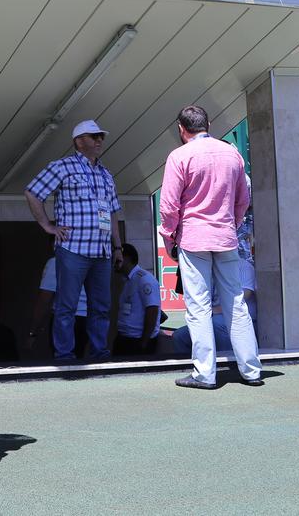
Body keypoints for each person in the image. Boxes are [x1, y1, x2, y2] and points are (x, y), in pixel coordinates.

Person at [159, 105, 262, 389]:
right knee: (236, 303)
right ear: (208, 124)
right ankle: (251, 370)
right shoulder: (232, 154)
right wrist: (231, 223)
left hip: (193, 238)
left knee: (198, 306)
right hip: (226, 236)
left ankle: (205, 373)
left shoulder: (179, 156)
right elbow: (243, 200)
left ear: (182, 129)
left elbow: (168, 206)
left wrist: (169, 238)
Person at [25, 119, 123, 362]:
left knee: (101, 307)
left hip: (102, 251)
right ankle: (65, 355)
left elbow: (111, 212)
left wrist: (118, 246)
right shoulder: (62, 166)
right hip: (73, 248)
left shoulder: (106, 173)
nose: (99, 140)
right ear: (78, 141)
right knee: (66, 306)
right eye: (93, 136)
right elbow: (32, 192)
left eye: (101, 136)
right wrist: (47, 225)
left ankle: (100, 353)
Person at [171, 253, 257, 355]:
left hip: (238, 319)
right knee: (179, 336)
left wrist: (210, 312)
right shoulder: (206, 269)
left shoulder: (243, 266)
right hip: (213, 317)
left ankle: (228, 363)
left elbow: (243, 297)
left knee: (217, 324)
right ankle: (193, 367)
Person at [27, 257, 88, 355]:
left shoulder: (56, 261)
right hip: (86, 318)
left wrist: (33, 332)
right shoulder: (88, 260)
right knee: (78, 360)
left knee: (63, 363)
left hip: (64, 318)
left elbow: (44, 299)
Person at [112, 244, 161, 356]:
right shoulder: (128, 280)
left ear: (127, 258)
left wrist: (144, 343)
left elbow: (152, 310)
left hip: (137, 341)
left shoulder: (144, 279)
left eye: (117, 258)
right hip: (124, 339)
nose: (113, 262)